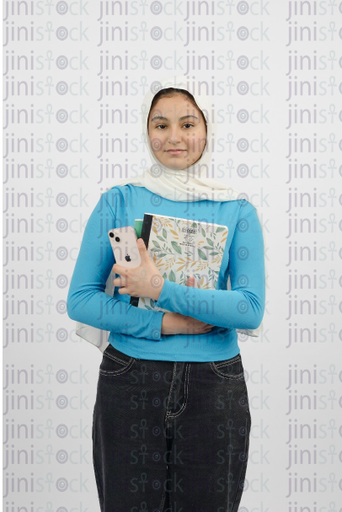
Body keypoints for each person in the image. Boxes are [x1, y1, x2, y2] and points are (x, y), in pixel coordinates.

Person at [67, 75, 266, 512]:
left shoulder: (236, 208)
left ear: (207, 129)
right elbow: (81, 299)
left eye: (188, 124)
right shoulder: (118, 201)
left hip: (215, 385)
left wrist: (159, 288)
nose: (174, 137)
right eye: (160, 125)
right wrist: (165, 322)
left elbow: (249, 309)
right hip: (130, 376)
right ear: (146, 130)